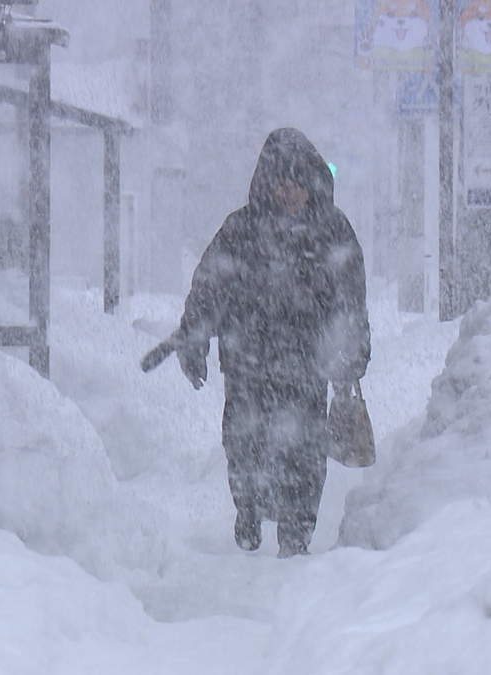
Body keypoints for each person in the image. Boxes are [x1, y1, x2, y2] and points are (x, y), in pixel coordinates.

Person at [174, 128, 370, 558]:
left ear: (312, 185)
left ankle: (296, 537)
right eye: (280, 182)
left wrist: (351, 354)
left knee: (304, 451)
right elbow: (209, 286)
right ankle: (249, 508)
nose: (288, 192)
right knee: (244, 445)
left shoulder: (332, 233)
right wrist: (193, 338)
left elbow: (350, 300)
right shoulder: (241, 229)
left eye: (298, 183)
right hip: (247, 362)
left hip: (305, 366)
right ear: (266, 183)